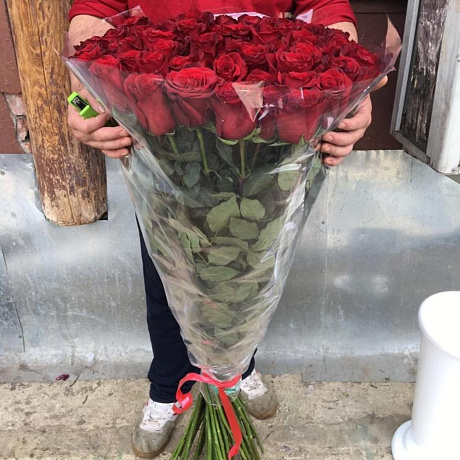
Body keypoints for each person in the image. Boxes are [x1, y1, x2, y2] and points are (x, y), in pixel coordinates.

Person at [67, 1, 385, 457]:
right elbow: (94, 12)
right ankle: (167, 387)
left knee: (252, 268)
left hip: (271, 137)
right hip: (166, 139)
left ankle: (234, 369)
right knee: (170, 271)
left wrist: (351, 97)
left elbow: (325, 8)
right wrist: (80, 97)